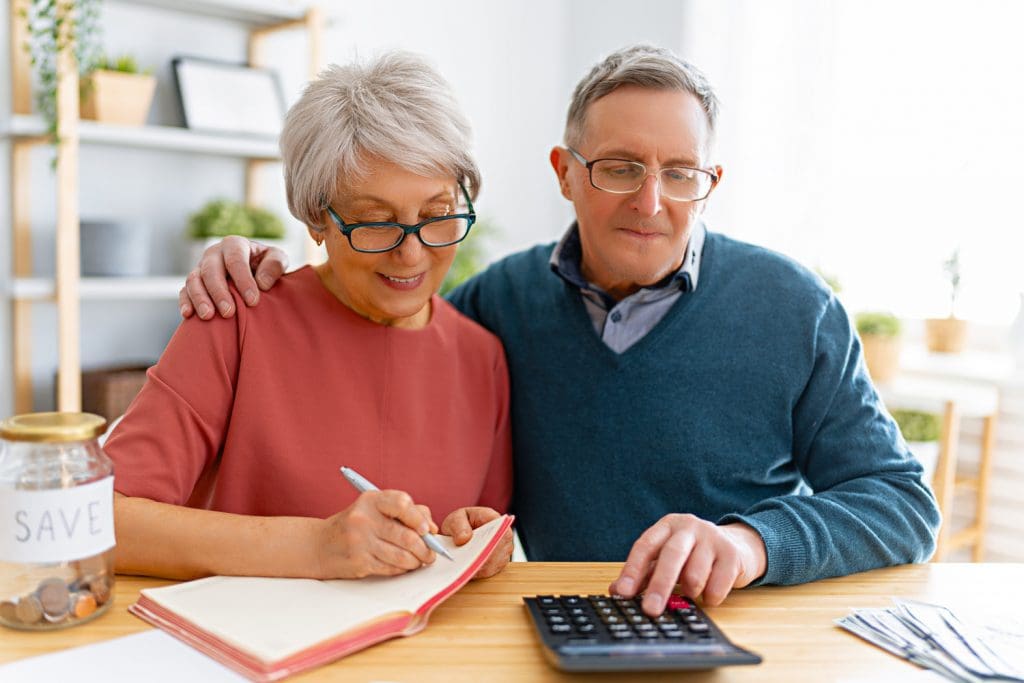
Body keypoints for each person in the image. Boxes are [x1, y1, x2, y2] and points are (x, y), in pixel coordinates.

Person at [180, 45, 940, 615]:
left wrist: (749, 542)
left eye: (680, 172)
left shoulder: (795, 306)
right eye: (617, 167)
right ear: (565, 172)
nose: (650, 201)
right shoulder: (499, 305)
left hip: (737, 633)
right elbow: (392, 306)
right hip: (558, 628)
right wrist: (254, 262)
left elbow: (903, 503)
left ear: (710, 182)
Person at [106, 52, 513, 582]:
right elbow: (101, 522)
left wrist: (474, 540)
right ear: (316, 217)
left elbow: (483, 530)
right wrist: (314, 547)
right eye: (375, 222)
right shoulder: (236, 319)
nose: (411, 254)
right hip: (255, 655)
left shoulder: (481, 357)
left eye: (436, 216)